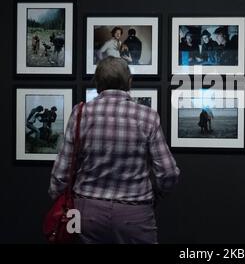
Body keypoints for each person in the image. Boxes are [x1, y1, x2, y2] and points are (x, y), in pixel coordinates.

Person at [49, 56, 180, 244]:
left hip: (85, 213)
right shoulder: (147, 116)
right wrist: (157, 196)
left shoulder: (79, 114)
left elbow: (61, 173)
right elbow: (168, 173)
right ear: (129, 82)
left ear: (97, 83)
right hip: (135, 214)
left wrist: (57, 196)